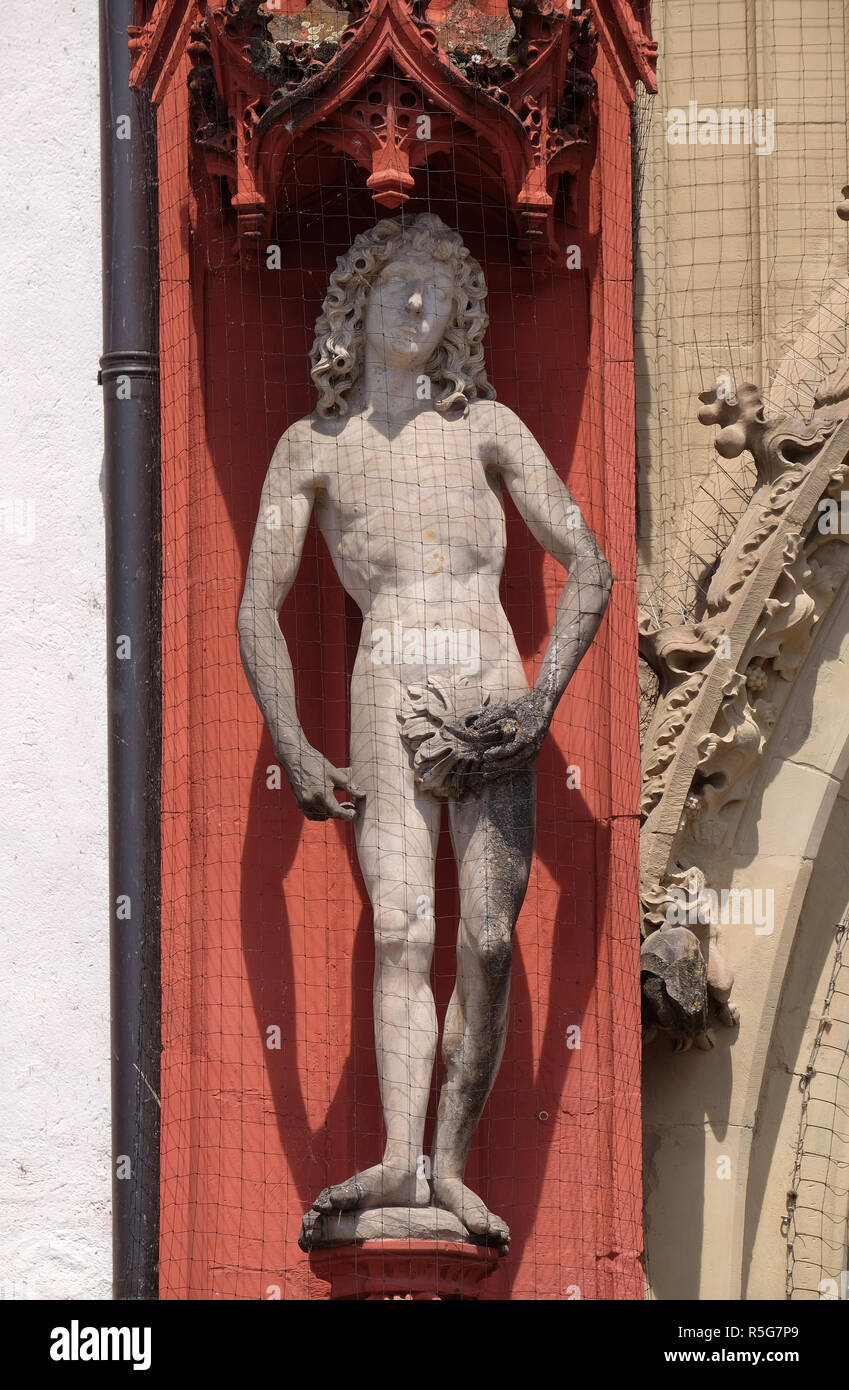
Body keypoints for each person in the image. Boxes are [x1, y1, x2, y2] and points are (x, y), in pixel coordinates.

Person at [238, 213, 611, 1245]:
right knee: (402, 930)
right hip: (387, 678)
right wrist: (292, 740)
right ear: (357, 304)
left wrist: (540, 702)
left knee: (487, 939)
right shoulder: (311, 448)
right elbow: (256, 602)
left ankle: (449, 1160)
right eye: (403, 282)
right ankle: (402, 1159)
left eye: (442, 293)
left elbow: (589, 561)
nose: (420, 304)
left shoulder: (486, 428)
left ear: (460, 320)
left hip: (493, 685)